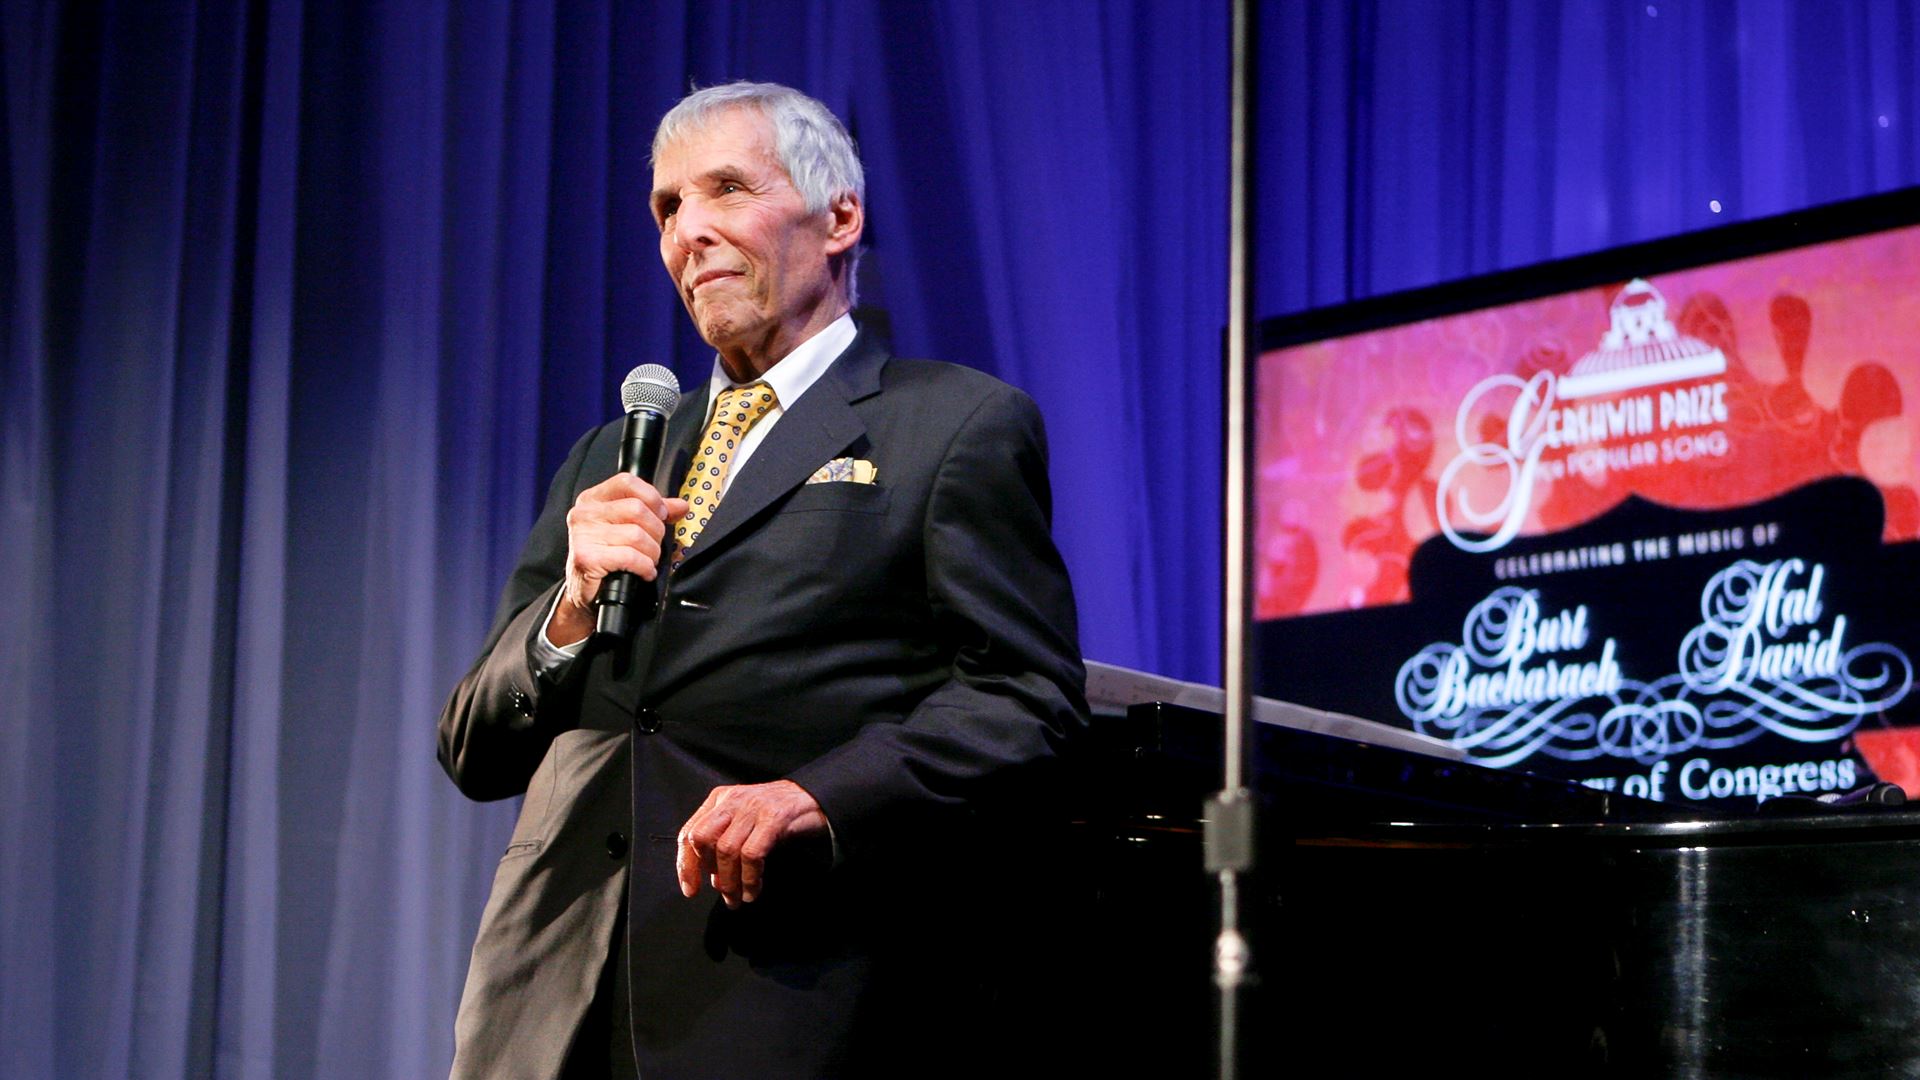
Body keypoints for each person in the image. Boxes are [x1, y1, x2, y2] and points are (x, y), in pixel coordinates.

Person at [438, 81, 1088, 1079]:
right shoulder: (613, 458)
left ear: (840, 217)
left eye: (727, 189)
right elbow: (474, 750)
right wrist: (566, 613)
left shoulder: (951, 425)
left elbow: (1022, 700)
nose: (689, 231)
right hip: (550, 993)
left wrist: (818, 797)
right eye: (667, 207)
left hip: (785, 988)